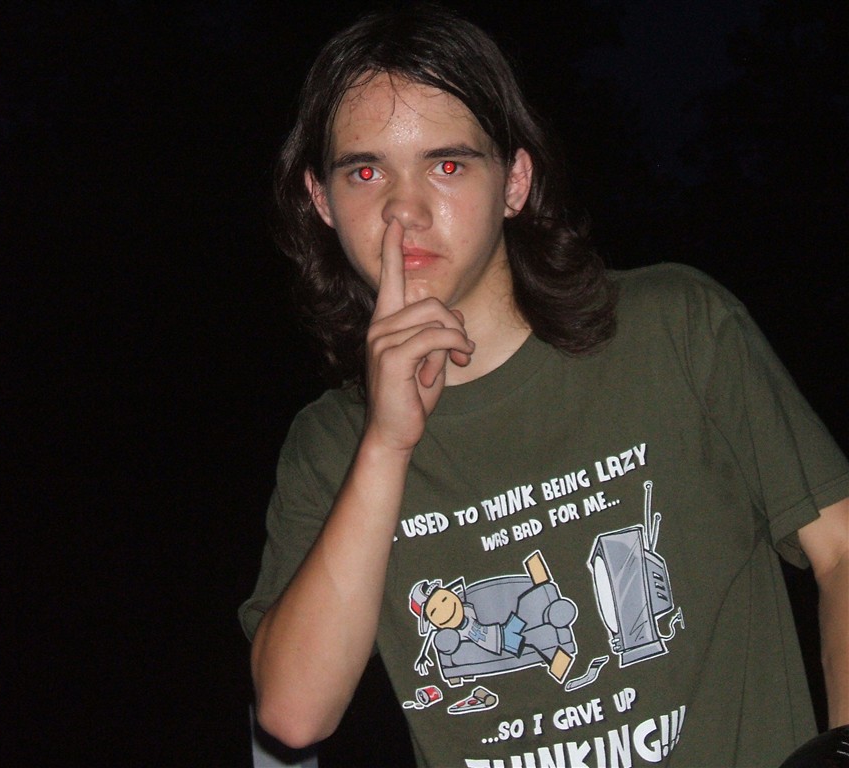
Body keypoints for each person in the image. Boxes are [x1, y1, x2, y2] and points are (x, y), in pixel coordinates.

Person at [239, 4, 848, 766]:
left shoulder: (677, 330)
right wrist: (386, 445)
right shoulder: (330, 445)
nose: (404, 209)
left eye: (447, 165)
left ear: (515, 182)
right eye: (366, 172)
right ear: (322, 201)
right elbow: (293, 714)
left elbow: (841, 550)